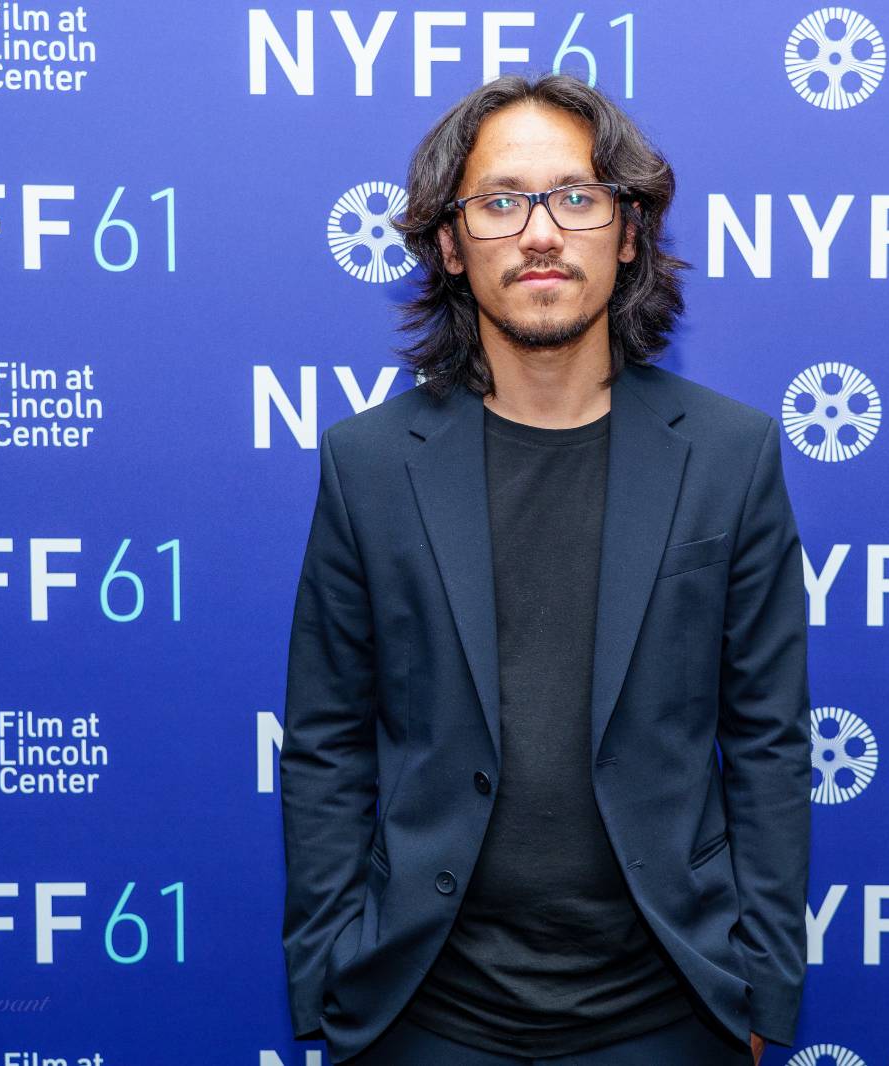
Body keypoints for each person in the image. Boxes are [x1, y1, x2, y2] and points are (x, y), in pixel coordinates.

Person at [280, 71, 811, 1066]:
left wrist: (763, 988)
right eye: (499, 202)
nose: (539, 233)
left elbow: (768, 740)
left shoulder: (730, 456)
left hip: (670, 1009)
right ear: (449, 244)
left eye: (575, 197)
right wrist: (329, 975)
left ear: (628, 232)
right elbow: (325, 741)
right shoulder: (369, 464)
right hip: (424, 1013)